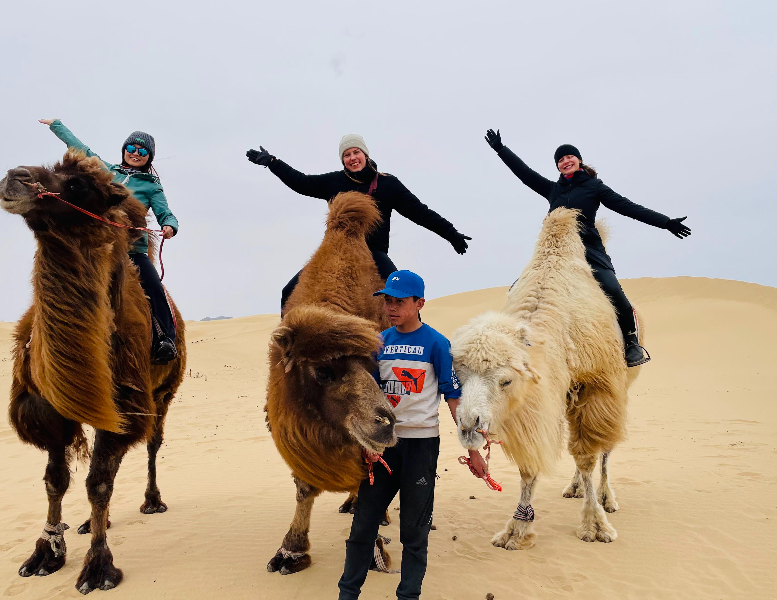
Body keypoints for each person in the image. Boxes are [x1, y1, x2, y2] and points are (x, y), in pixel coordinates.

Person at [337, 270, 487, 600]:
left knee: (414, 533)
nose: (391, 307)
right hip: (382, 446)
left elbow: (453, 396)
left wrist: (473, 447)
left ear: (419, 303)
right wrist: (368, 442)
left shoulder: (436, 343)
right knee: (362, 529)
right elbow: (367, 396)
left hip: (420, 447)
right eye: (388, 300)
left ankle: (408, 596)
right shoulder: (380, 343)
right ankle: (347, 595)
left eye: (399, 301)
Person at [484, 129, 691, 367]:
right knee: (517, 290)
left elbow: (628, 207)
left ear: (579, 160)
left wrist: (666, 222)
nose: (565, 161)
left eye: (569, 157)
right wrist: (501, 149)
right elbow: (524, 174)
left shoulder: (595, 187)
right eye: (560, 160)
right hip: (554, 251)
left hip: (588, 250)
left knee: (614, 291)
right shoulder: (554, 190)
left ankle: (631, 342)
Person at [246, 135, 472, 311]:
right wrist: (273, 163)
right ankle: (287, 348)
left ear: (365, 154)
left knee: (400, 294)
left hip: (373, 254)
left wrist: (451, 234)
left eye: (356, 152)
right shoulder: (334, 182)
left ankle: (418, 342)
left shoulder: (387, 184)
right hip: (336, 253)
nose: (352, 158)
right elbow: (302, 182)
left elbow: (420, 212)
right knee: (289, 292)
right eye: (347, 155)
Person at [38, 118, 180, 363]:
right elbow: (82, 150)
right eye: (132, 148)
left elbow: (164, 212)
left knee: (154, 288)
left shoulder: (151, 186)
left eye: (143, 151)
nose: (136, 153)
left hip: (132, 249)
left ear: (149, 157)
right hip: (100, 245)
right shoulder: (106, 171)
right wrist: (57, 126)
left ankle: (165, 339)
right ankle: (39, 336)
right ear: (125, 150)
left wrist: (170, 225)